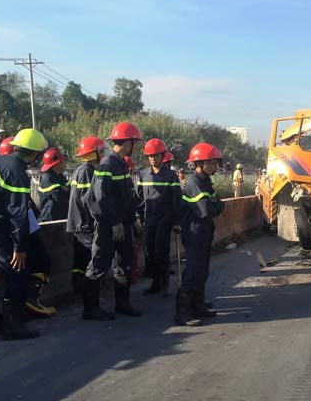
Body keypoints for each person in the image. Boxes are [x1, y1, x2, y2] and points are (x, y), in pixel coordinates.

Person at [0, 128, 48, 339]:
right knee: (18, 272)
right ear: (35, 154)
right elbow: (19, 215)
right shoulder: (16, 172)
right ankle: (12, 326)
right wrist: (20, 247)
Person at [82, 122, 143, 320]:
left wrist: (132, 218)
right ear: (127, 142)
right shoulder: (107, 164)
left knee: (124, 263)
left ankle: (123, 304)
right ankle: (90, 309)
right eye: (134, 142)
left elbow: (128, 195)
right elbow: (101, 197)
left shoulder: (121, 163)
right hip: (109, 224)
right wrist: (115, 222)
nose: (135, 145)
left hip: (123, 224)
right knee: (99, 263)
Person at [174, 142, 224, 327]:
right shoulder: (194, 183)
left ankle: (198, 306)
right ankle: (183, 312)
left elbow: (219, 205)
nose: (215, 166)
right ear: (199, 163)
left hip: (203, 233)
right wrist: (215, 206)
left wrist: (215, 206)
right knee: (193, 272)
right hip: (194, 233)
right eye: (212, 162)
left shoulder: (206, 182)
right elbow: (206, 210)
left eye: (216, 162)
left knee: (202, 272)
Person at [136, 138, 181, 296]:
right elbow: (139, 199)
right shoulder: (143, 175)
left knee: (161, 252)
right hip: (150, 219)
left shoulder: (171, 176)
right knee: (150, 252)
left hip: (165, 219)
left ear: (163, 156)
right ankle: (155, 284)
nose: (153, 158)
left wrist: (176, 222)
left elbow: (177, 200)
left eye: (155, 155)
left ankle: (164, 285)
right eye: (150, 156)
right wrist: (139, 218)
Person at [66, 136, 106, 299]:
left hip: (78, 224)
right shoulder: (87, 172)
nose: (103, 155)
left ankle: (80, 294)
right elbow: (89, 201)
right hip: (84, 225)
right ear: (93, 154)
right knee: (92, 261)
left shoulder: (80, 170)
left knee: (81, 261)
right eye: (101, 152)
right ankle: (89, 297)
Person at [38, 147, 70, 222]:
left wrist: (64, 189)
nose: (65, 163)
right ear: (57, 163)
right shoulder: (47, 178)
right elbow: (58, 196)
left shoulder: (60, 176)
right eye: (63, 160)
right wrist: (64, 189)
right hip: (50, 220)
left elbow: (71, 191)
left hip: (61, 217)